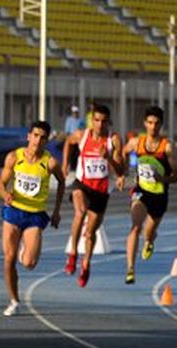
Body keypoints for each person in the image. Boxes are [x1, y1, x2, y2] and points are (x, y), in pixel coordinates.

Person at [0, 121, 64, 316]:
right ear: (28, 136)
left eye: (43, 137)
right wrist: (5, 195)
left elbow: (62, 183)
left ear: (47, 140)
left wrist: (56, 211)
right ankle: (14, 300)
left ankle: (23, 250)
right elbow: (1, 184)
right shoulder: (14, 157)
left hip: (35, 215)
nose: (38, 140)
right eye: (35, 135)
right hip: (13, 211)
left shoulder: (50, 162)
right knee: (8, 259)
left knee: (28, 263)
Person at [61, 103, 124, 286]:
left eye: (103, 121)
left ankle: (86, 263)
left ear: (108, 122)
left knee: (90, 233)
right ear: (92, 120)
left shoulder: (114, 140)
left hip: (100, 192)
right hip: (82, 184)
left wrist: (109, 158)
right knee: (79, 213)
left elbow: (120, 170)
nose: (99, 125)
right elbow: (67, 142)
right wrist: (65, 164)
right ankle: (73, 253)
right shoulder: (83, 135)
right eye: (96, 120)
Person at [121, 105, 177, 284]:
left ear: (161, 125)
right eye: (150, 123)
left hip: (159, 195)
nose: (153, 127)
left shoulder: (166, 147)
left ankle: (150, 241)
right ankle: (130, 268)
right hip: (141, 192)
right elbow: (123, 152)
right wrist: (122, 174)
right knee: (135, 227)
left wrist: (161, 178)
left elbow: (175, 177)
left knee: (148, 232)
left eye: (156, 123)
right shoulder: (136, 143)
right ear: (145, 123)